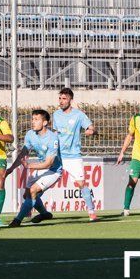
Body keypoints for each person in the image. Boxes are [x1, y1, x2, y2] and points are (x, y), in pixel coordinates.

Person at [9, 110, 63, 228]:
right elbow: (23, 153)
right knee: (27, 195)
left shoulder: (53, 138)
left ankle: (17, 220)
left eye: (36, 119)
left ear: (44, 123)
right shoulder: (30, 134)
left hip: (54, 170)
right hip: (41, 166)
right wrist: (11, 169)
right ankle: (44, 214)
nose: (33, 122)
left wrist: (29, 166)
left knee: (33, 190)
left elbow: (49, 163)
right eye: (32, 119)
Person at [52, 88, 98, 221]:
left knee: (81, 183)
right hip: (58, 156)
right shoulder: (56, 115)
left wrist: (91, 131)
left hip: (73, 156)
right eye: (60, 98)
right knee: (45, 181)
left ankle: (91, 212)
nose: (61, 101)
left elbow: (91, 128)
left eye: (64, 98)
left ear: (70, 100)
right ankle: (37, 209)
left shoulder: (79, 115)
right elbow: (55, 133)